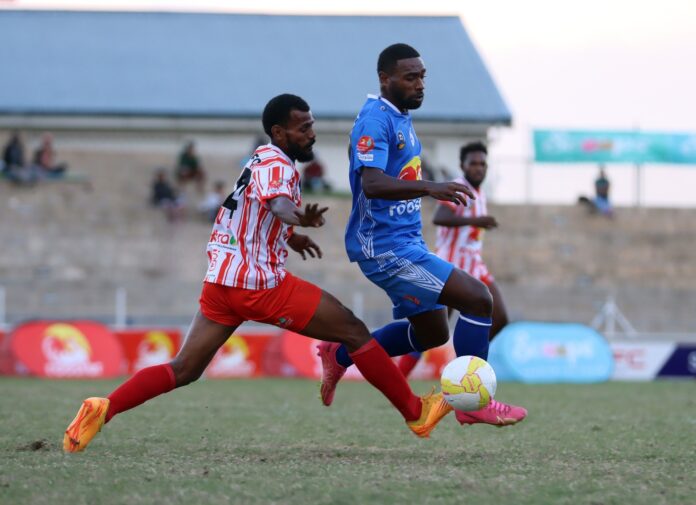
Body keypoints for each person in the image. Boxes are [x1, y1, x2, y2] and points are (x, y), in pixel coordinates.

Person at [63, 94, 452, 453]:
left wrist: (291, 236)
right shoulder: (278, 165)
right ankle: (415, 412)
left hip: (221, 281)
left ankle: (104, 407)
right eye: (303, 128)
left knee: (185, 368)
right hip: (258, 285)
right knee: (352, 331)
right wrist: (297, 218)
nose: (311, 133)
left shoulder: (258, 160)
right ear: (279, 133)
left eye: (312, 125)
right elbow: (279, 204)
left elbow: (257, 209)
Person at [316, 44, 526, 427]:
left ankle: (339, 354)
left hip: (406, 242)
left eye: (422, 76)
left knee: (430, 333)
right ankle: (472, 403)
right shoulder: (375, 121)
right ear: (385, 78)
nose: (420, 84)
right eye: (410, 77)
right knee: (479, 300)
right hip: (383, 247)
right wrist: (432, 188)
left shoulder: (400, 118)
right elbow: (374, 183)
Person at [398, 141, 510, 376]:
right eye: (473, 164)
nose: (479, 168)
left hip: (475, 265)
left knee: (500, 317)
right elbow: (440, 217)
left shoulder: (480, 193)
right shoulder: (459, 186)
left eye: (483, 163)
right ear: (463, 166)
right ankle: (398, 379)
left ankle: (465, 368)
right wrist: (476, 221)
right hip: (451, 266)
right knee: (431, 331)